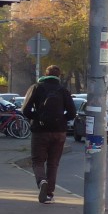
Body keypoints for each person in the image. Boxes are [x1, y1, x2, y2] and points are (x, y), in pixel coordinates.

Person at [21, 65, 78, 204]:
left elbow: (25, 109)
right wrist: (60, 119)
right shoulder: (63, 90)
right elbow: (72, 113)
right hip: (59, 132)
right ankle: (49, 195)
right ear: (59, 76)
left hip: (40, 131)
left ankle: (42, 182)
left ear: (45, 74)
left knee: (38, 161)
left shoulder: (37, 87)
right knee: (53, 163)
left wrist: (38, 117)